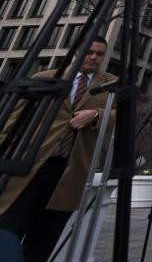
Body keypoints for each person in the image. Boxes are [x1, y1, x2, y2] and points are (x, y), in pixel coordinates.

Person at [0, 36, 117, 261]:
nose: (93, 57)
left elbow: (125, 112)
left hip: (69, 171)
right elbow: (13, 122)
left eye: (99, 54)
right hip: (30, 166)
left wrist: (96, 114)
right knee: (9, 230)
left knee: (45, 239)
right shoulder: (46, 78)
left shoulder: (110, 85)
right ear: (77, 53)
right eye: (89, 52)